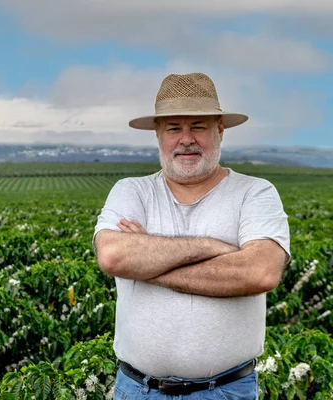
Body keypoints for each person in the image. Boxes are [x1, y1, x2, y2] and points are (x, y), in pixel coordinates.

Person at [93, 72, 291, 399]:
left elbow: (260, 271)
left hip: (226, 391)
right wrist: (212, 247)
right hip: (139, 390)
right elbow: (114, 256)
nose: (186, 139)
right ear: (158, 135)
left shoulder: (255, 193)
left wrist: (146, 267)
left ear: (220, 131)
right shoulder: (131, 191)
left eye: (198, 126)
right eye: (174, 128)